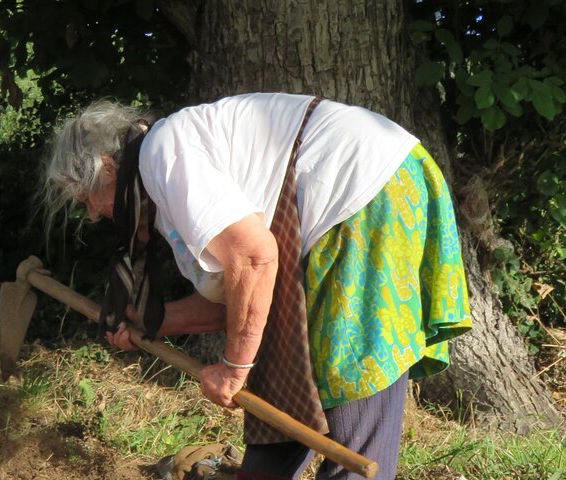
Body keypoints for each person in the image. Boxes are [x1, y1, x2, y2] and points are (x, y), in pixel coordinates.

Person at [42, 93, 472, 480]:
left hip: (366, 192)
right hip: (355, 198)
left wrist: (234, 369)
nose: (94, 215)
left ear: (107, 167)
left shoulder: (164, 154)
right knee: (282, 388)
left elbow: (254, 258)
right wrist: (151, 322)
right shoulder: (163, 181)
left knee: (351, 401)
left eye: (86, 200)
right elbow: (240, 293)